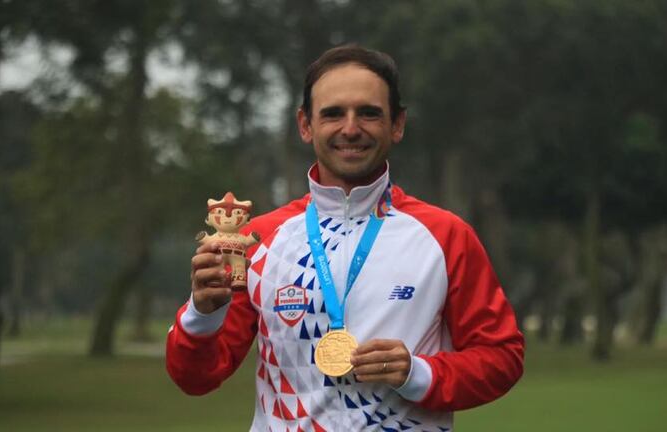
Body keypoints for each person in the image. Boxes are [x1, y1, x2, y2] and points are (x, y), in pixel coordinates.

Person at [166, 44, 524, 431]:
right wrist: (203, 315)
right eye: (333, 113)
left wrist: (417, 374)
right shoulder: (260, 239)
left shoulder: (445, 236)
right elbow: (195, 377)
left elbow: (502, 357)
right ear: (305, 125)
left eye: (369, 113)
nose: (350, 128)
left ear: (397, 124)